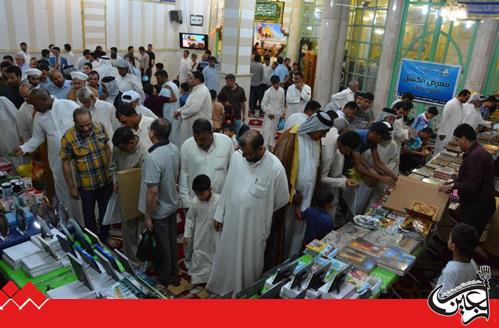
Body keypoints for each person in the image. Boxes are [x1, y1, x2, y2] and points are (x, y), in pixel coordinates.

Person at [206, 130, 289, 296]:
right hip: (231, 221)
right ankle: (222, 288)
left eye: (248, 154)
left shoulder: (275, 168)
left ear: (260, 149)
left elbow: (282, 201)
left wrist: (261, 218)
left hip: (254, 228)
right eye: (243, 152)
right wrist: (219, 213)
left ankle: (243, 294)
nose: (244, 157)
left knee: (248, 265)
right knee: (226, 255)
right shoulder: (238, 157)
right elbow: (229, 185)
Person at [13, 89, 83, 224]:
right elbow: (37, 138)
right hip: (58, 161)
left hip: (79, 158)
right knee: (64, 192)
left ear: (43, 100)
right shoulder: (39, 117)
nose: (34, 108)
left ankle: (87, 223)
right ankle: (70, 223)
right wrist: (23, 148)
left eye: (35, 105)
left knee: (81, 190)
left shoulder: (69, 105)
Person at [281, 112, 335, 258]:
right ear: (314, 127)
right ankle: (282, 259)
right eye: (323, 132)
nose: (323, 136)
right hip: (290, 198)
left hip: (308, 196)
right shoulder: (291, 138)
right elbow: (281, 169)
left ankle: (294, 256)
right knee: (286, 230)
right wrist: (292, 192)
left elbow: (315, 169)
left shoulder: (316, 141)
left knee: (300, 230)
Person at [138, 118, 181, 287]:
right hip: (171, 203)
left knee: (163, 245)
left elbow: (152, 191)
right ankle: (174, 271)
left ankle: (164, 277)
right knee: (171, 241)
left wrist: (148, 216)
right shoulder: (174, 149)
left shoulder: (153, 157)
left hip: (159, 209)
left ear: (152, 133)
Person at [60, 108, 112, 240]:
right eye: (81, 126)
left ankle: (105, 237)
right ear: (74, 122)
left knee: (106, 212)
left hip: (105, 180)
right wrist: (71, 187)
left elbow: (107, 147)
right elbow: (65, 163)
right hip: (86, 185)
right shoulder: (68, 138)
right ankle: (93, 241)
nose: (86, 128)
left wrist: (111, 170)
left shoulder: (99, 127)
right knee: (88, 215)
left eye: (88, 124)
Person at [439, 124, 495, 237]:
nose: (457, 143)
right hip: (476, 203)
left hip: (478, 206)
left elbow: (472, 184)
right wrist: (455, 180)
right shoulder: (475, 151)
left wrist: (451, 187)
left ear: (464, 139)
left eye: (457, 140)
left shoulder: (476, 155)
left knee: (464, 239)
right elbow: (470, 177)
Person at [110, 126, 148, 263]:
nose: (121, 151)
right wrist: (115, 180)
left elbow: (148, 178)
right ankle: (132, 259)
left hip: (141, 193)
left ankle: (146, 258)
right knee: (128, 229)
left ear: (131, 142)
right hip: (124, 193)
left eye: (124, 148)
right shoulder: (118, 147)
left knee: (144, 228)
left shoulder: (144, 151)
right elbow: (113, 165)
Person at [179, 118, 233, 210]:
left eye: (203, 139)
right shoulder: (187, 146)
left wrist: (229, 199)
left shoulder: (226, 142)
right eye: (196, 140)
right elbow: (184, 175)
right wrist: (186, 203)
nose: (199, 143)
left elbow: (232, 171)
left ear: (211, 133)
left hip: (221, 201)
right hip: (196, 203)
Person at [183, 174, 220, 288]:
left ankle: (212, 280)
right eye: (197, 194)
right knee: (198, 257)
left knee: (214, 257)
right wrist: (187, 235)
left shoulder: (219, 200)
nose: (199, 196)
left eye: (201, 193)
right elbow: (189, 220)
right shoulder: (195, 202)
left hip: (214, 236)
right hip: (200, 236)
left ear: (210, 189)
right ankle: (197, 279)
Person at [321, 130, 361, 220]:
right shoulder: (329, 153)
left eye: (350, 151)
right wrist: (344, 182)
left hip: (333, 188)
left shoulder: (337, 143)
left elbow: (336, 175)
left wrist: (345, 180)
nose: (347, 153)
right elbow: (322, 179)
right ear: (339, 143)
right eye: (346, 150)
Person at [436, 223, 478, 296]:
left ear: (453, 246)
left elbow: (443, 296)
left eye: (449, 239)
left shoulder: (450, 271)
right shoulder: (473, 264)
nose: (448, 240)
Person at [350, 122, 398, 187]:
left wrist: (395, 177)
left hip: (353, 158)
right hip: (345, 158)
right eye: (381, 139)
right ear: (375, 134)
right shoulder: (359, 137)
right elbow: (358, 166)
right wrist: (380, 178)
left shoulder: (373, 141)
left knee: (373, 174)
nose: (381, 141)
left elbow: (378, 162)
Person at [175, 71, 213, 145]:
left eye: (191, 78)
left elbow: (195, 108)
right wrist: (179, 110)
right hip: (190, 124)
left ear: (197, 80)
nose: (189, 80)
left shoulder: (202, 90)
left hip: (199, 126)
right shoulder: (196, 89)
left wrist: (180, 113)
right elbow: (187, 105)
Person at [154, 69, 180, 146]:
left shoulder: (166, 87)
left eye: (158, 79)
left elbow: (161, 102)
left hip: (168, 116)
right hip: (174, 114)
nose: (157, 81)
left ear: (164, 77)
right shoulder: (174, 85)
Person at [0, 96, 25, 170]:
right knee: (9, 166)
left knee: (22, 162)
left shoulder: (3, 101)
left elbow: (18, 118)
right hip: (2, 147)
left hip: (15, 140)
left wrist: (22, 135)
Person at [261, 75, 285, 149]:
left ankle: (270, 146)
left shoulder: (282, 90)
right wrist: (268, 113)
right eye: (275, 84)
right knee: (266, 131)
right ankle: (265, 147)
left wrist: (281, 113)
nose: (276, 85)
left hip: (277, 115)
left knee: (273, 131)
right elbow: (263, 104)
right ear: (272, 83)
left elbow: (282, 103)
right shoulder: (267, 92)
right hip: (269, 115)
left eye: (277, 83)